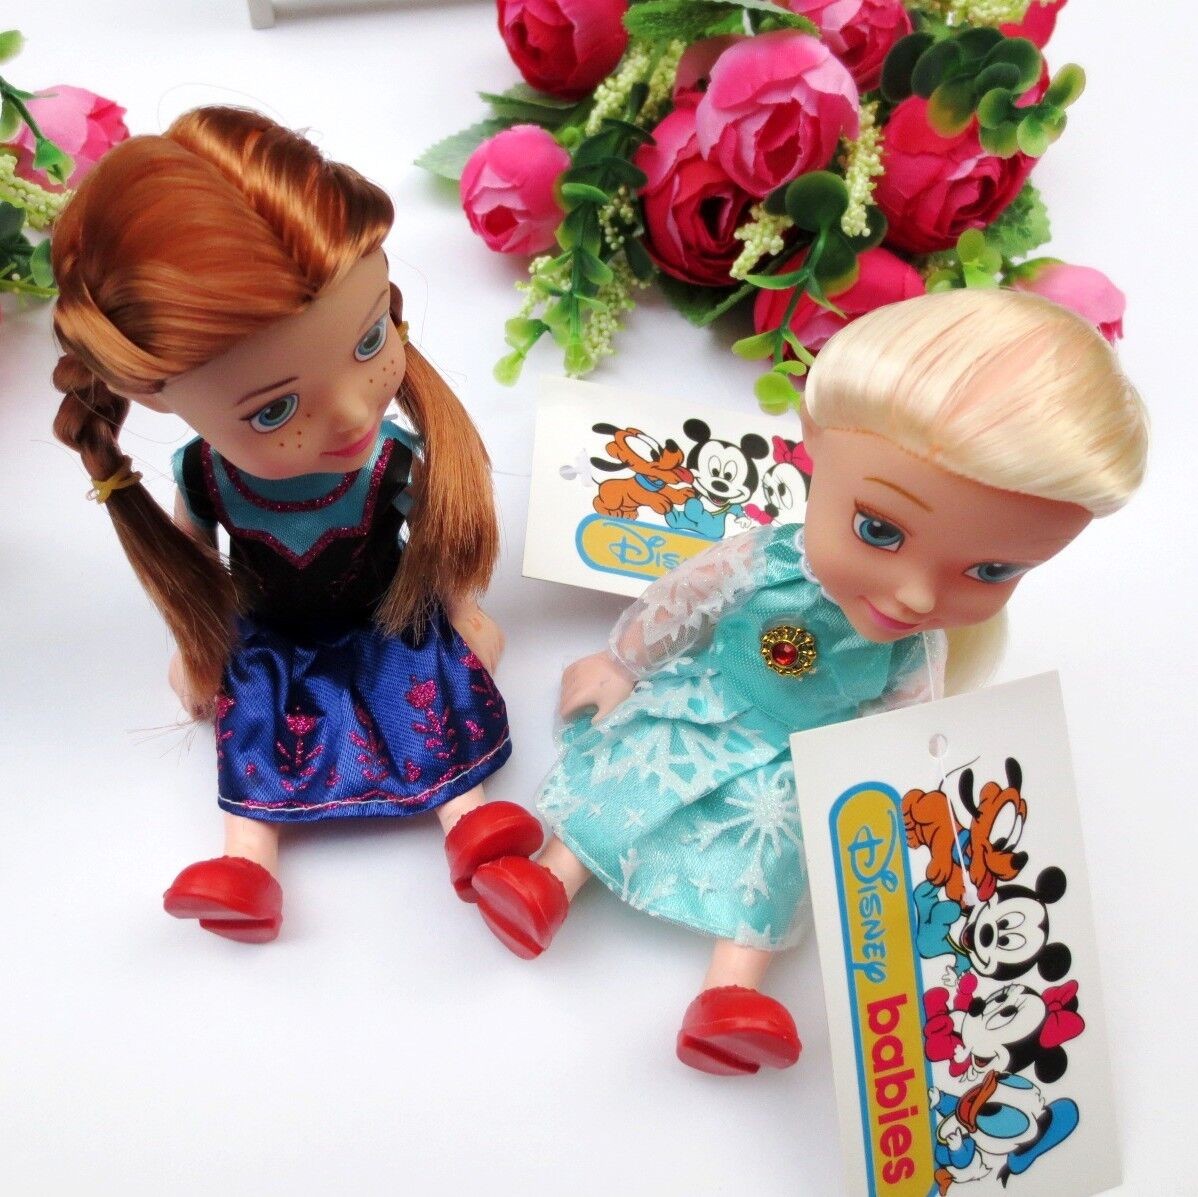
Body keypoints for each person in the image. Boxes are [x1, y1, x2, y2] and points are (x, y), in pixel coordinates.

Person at [464, 288, 1149, 1075]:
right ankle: (550, 878)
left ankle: (730, 994)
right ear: (815, 438)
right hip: (709, 700)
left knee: (775, 856)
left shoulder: (915, 650)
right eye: (878, 529)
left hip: (796, 761)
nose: (916, 595)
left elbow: (904, 730)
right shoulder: (767, 560)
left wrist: (885, 800)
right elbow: (686, 598)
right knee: (635, 767)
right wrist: (623, 660)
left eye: (992, 570)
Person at [50, 107, 543, 943]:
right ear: (151, 396)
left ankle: (470, 821)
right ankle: (247, 861)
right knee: (256, 712)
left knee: (426, 685)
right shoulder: (206, 477)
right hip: (274, 634)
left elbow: (432, 545)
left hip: (388, 615)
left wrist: (463, 608)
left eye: (369, 340)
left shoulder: (389, 463)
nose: (351, 413)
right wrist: (196, 645)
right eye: (273, 408)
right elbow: (193, 562)